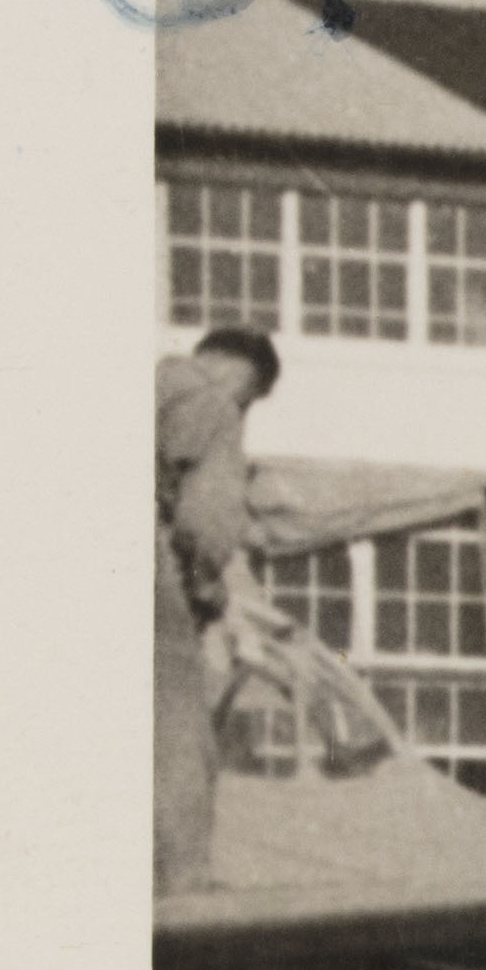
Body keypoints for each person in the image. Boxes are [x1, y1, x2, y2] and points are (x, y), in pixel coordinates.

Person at [154, 324, 280, 893]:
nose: (243, 413)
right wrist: (207, 592)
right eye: (249, 401)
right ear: (241, 375)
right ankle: (182, 877)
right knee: (175, 721)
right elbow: (207, 522)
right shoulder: (212, 401)